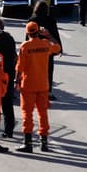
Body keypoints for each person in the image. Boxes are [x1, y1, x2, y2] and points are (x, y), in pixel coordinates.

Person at [15, 21, 61, 152]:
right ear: (38, 31)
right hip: (43, 85)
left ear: (27, 33)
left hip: (28, 85)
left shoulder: (25, 46)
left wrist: (16, 81)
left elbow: (20, 67)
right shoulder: (46, 44)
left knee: (27, 114)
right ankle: (44, 142)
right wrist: (48, 36)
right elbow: (58, 48)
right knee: (43, 114)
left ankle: (27, 143)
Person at [0, 17, 18, 138]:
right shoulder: (10, 38)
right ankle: (9, 130)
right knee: (7, 104)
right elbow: (14, 56)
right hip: (8, 75)